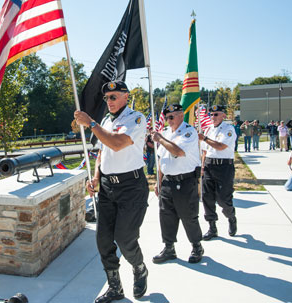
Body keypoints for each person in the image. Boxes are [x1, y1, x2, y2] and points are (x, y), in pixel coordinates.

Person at [74, 80, 149, 303]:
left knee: (125, 239)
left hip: (131, 187)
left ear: (126, 96)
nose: (109, 101)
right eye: (107, 98)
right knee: (104, 240)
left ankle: (139, 267)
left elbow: (117, 143)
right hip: (107, 187)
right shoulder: (106, 120)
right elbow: (102, 152)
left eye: (114, 97)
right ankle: (115, 287)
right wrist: (96, 177)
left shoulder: (135, 118)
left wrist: (91, 123)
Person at [150, 103, 204, 265]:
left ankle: (196, 246)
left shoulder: (189, 131)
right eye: (166, 118)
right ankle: (169, 248)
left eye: (171, 117)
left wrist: (160, 139)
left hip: (185, 180)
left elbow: (178, 151)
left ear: (181, 115)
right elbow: (161, 159)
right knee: (166, 216)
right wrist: (158, 182)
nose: (168, 120)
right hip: (168, 181)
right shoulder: (166, 132)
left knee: (188, 216)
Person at [198, 105, 237, 240]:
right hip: (209, 165)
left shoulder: (228, 129)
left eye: (216, 114)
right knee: (206, 198)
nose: (212, 117)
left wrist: (205, 139)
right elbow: (205, 151)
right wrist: (202, 167)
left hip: (224, 167)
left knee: (223, 199)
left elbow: (221, 146)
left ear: (223, 116)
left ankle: (231, 217)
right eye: (211, 114)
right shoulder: (208, 129)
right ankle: (212, 227)